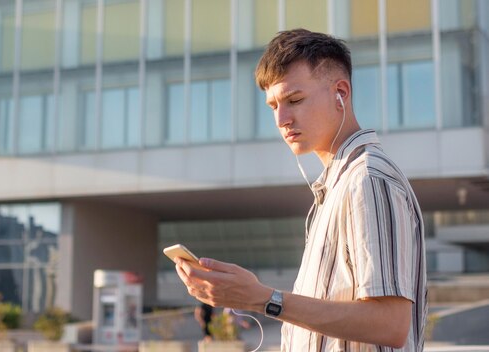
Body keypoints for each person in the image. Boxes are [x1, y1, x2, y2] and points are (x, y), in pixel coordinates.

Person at [173, 28, 427, 351]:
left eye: (294, 100)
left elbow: (391, 323)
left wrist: (264, 298)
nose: (281, 118)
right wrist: (255, 297)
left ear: (341, 93)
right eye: (272, 106)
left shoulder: (368, 179)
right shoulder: (337, 187)